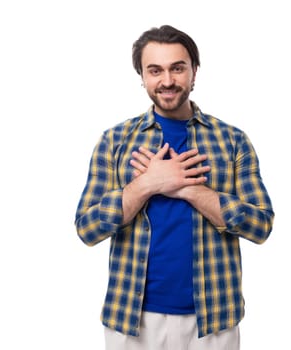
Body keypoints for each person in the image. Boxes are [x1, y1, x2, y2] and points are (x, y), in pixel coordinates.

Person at [74, 24, 274, 350]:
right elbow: (87, 229)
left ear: (194, 72)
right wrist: (148, 184)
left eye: (177, 68)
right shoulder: (114, 141)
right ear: (142, 75)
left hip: (214, 320)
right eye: (155, 70)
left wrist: (191, 189)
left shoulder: (233, 141)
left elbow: (261, 226)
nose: (167, 81)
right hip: (131, 320)